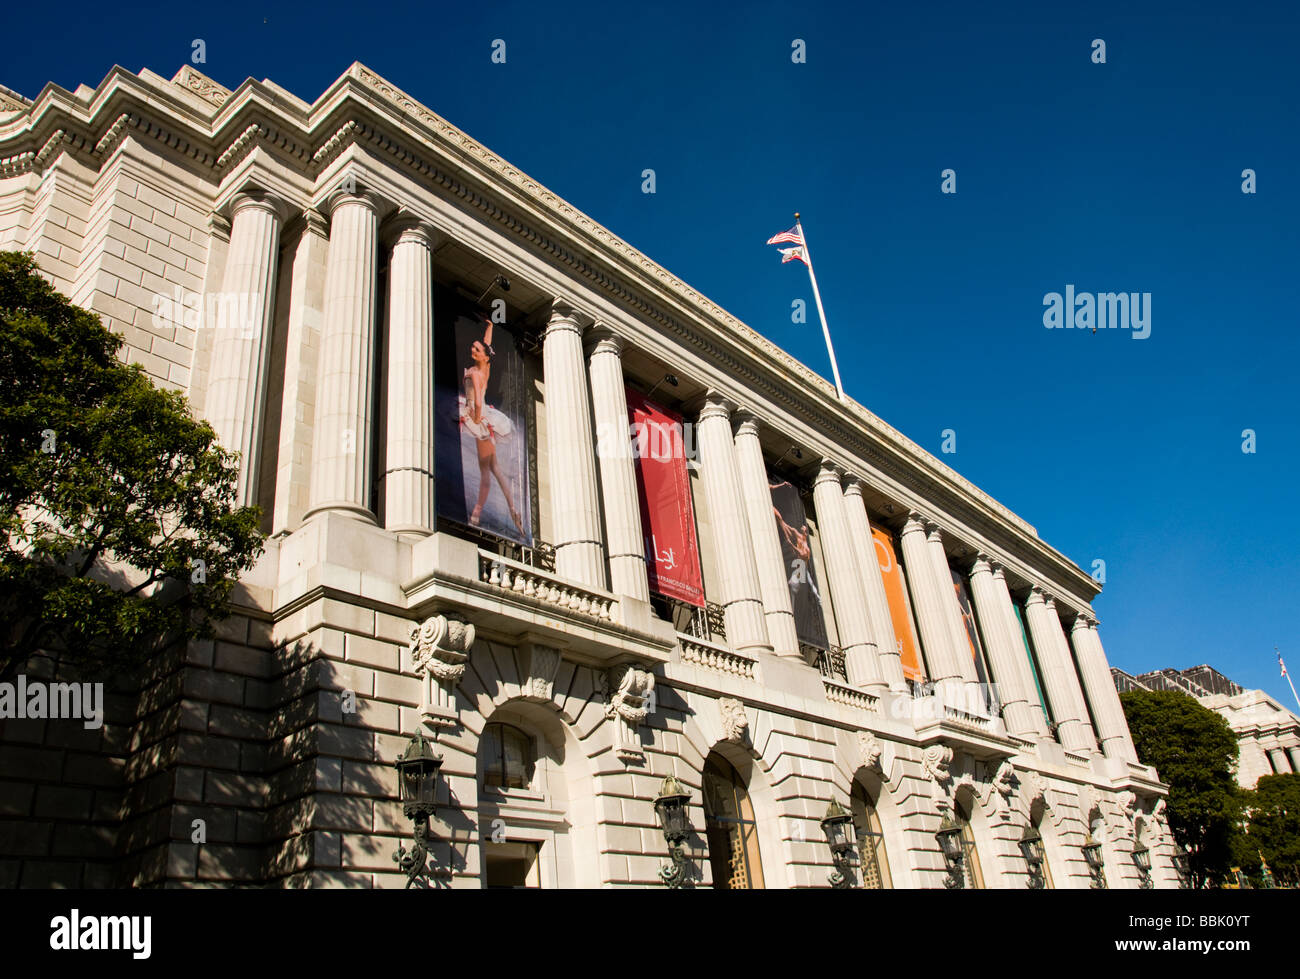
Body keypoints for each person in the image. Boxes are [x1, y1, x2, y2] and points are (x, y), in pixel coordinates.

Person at [459, 317, 525, 535]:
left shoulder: (478, 373)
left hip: (481, 419)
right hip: (478, 417)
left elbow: (477, 401)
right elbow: (486, 344)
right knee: (494, 469)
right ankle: (513, 509)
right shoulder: (481, 367)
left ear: (484, 356)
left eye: (476, 348)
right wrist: (489, 327)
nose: (473, 348)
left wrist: (476, 420)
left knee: (489, 471)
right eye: (473, 346)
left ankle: (477, 512)